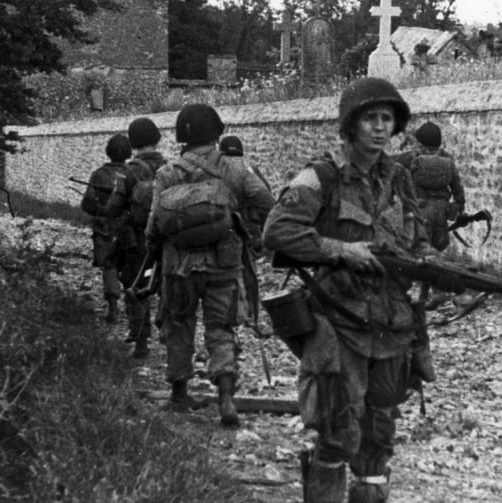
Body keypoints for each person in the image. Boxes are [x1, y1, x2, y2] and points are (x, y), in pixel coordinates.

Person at [262, 77, 462, 503]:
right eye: (370, 118)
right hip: (339, 320)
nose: (379, 127)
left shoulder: (401, 178)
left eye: (387, 118)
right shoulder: (322, 176)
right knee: (337, 428)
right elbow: (277, 231)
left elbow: (417, 238)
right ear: (350, 125)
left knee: (380, 432)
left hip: (391, 324)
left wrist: (431, 263)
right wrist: (340, 250)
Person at [145, 105, 274, 423]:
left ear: (181, 137)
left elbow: (154, 225)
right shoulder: (238, 169)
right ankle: (226, 398)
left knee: (178, 325)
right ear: (217, 133)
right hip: (225, 264)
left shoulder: (167, 172)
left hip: (179, 265)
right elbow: (268, 203)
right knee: (222, 329)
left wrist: (153, 252)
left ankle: (178, 396)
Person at [104, 117, 167, 359]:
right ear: (157, 140)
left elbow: (113, 208)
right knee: (165, 283)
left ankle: (141, 341)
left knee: (135, 285)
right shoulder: (169, 167)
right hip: (164, 237)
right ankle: (168, 333)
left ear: (133, 144)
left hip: (137, 241)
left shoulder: (128, 172)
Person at [80, 133, 131, 323]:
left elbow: (87, 204)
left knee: (109, 266)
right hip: (129, 228)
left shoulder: (99, 174)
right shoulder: (132, 173)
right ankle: (133, 305)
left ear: (108, 152)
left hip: (105, 228)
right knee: (129, 265)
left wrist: (101, 210)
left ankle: (113, 307)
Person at [394, 121, 465, 252]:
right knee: (436, 251)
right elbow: (457, 187)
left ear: (421, 141)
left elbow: (388, 161)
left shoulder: (413, 156)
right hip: (441, 213)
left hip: (421, 211)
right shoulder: (447, 159)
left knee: (416, 252)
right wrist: (461, 209)